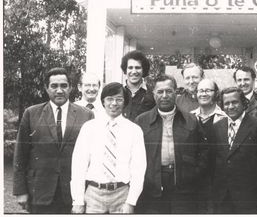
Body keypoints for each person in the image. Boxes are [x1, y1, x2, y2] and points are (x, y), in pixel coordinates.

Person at [13, 67, 94, 214]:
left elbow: (93, 156)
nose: (59, 90)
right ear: (46, 88)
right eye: (54, 86)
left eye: (63, 86)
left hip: (74, 194)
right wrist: (20, 191)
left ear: (70, 88)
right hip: (40, 192)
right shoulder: (31, 113)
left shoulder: (86, 115)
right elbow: (20, 155)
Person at [135, 75, 209, 213]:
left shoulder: (191, 120)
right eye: (160, 92)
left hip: (183, 187)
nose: (164, 95)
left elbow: (203, 152)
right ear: (153, 94)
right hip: (152, 188)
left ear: (176, 92)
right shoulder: (141, 121)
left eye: (169, 91)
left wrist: (192, 174)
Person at [71, 82, 146, 214]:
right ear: (103, 101)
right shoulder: (89, 128)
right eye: (109, 99)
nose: (114, 103)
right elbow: (79, 166)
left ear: (125, 102)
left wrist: (131, 201)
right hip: (93, 194)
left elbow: (138, 169)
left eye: (119, 99)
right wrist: (78, 200)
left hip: (122, 194)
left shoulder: (134, 130)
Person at [210, 87, 257, 214]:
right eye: (227, 103)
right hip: (223, 196)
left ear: (243, 103)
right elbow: (214, 161)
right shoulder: (217, 127)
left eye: (234, 102)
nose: (231, 106)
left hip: (249, 196)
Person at [191, 78, 227, 213]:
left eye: (208, 90)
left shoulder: (225, 117)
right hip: (195, 179)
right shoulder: (189, 118)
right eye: (200, 90)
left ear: (216, 93)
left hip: (217, 178)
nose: (203, 94)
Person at [120, 50, 155, 121]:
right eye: (130, 68)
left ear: (143, 70)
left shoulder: (152, 93)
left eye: (137, 68)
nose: (134, 71)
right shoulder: (118, 92)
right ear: (125, 70)